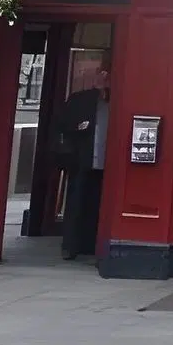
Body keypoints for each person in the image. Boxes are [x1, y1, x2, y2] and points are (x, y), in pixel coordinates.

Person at [55, 62, 109, 260]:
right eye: (100, 74)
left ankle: (92, 244)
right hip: (82, 160)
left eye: (106, 74)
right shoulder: (80, 100)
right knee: (76, 203)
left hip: (107, 162)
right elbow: (62, 125)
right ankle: (70, 245)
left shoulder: (116, 102)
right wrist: (78, 128)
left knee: (98, 205)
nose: (103, 78)